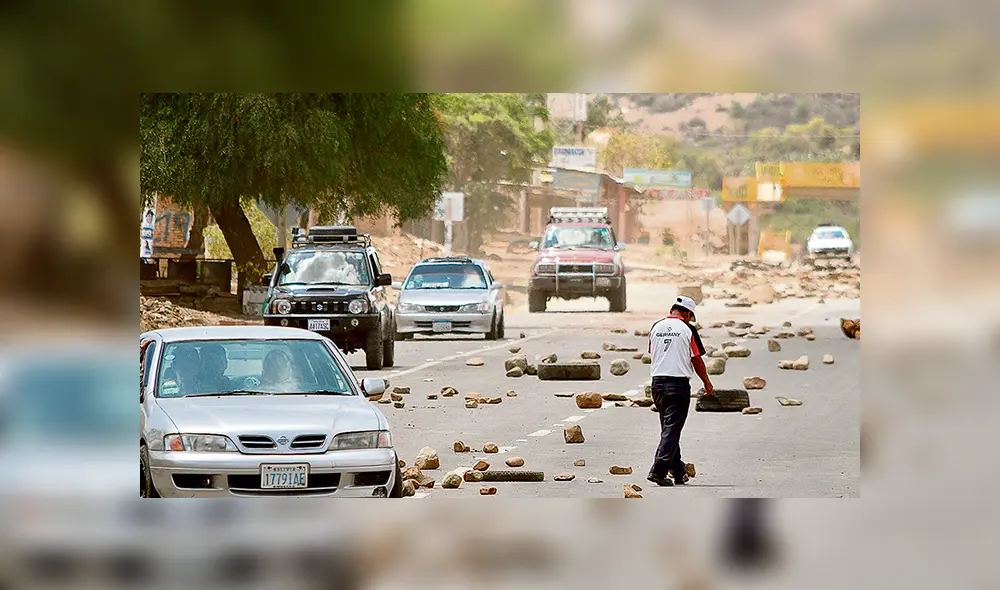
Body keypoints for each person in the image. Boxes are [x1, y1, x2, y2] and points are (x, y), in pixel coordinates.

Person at [646, 295, 713, 487]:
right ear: (687, 313)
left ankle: (678, 471)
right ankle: (658, 470)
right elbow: (697, 359)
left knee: (669, 429)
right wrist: (707, 383)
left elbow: (654, 352)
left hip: (657, 384)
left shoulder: (656, 327)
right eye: (691, 317)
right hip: (677, 385)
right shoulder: (687, 329)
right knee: (672, 430)